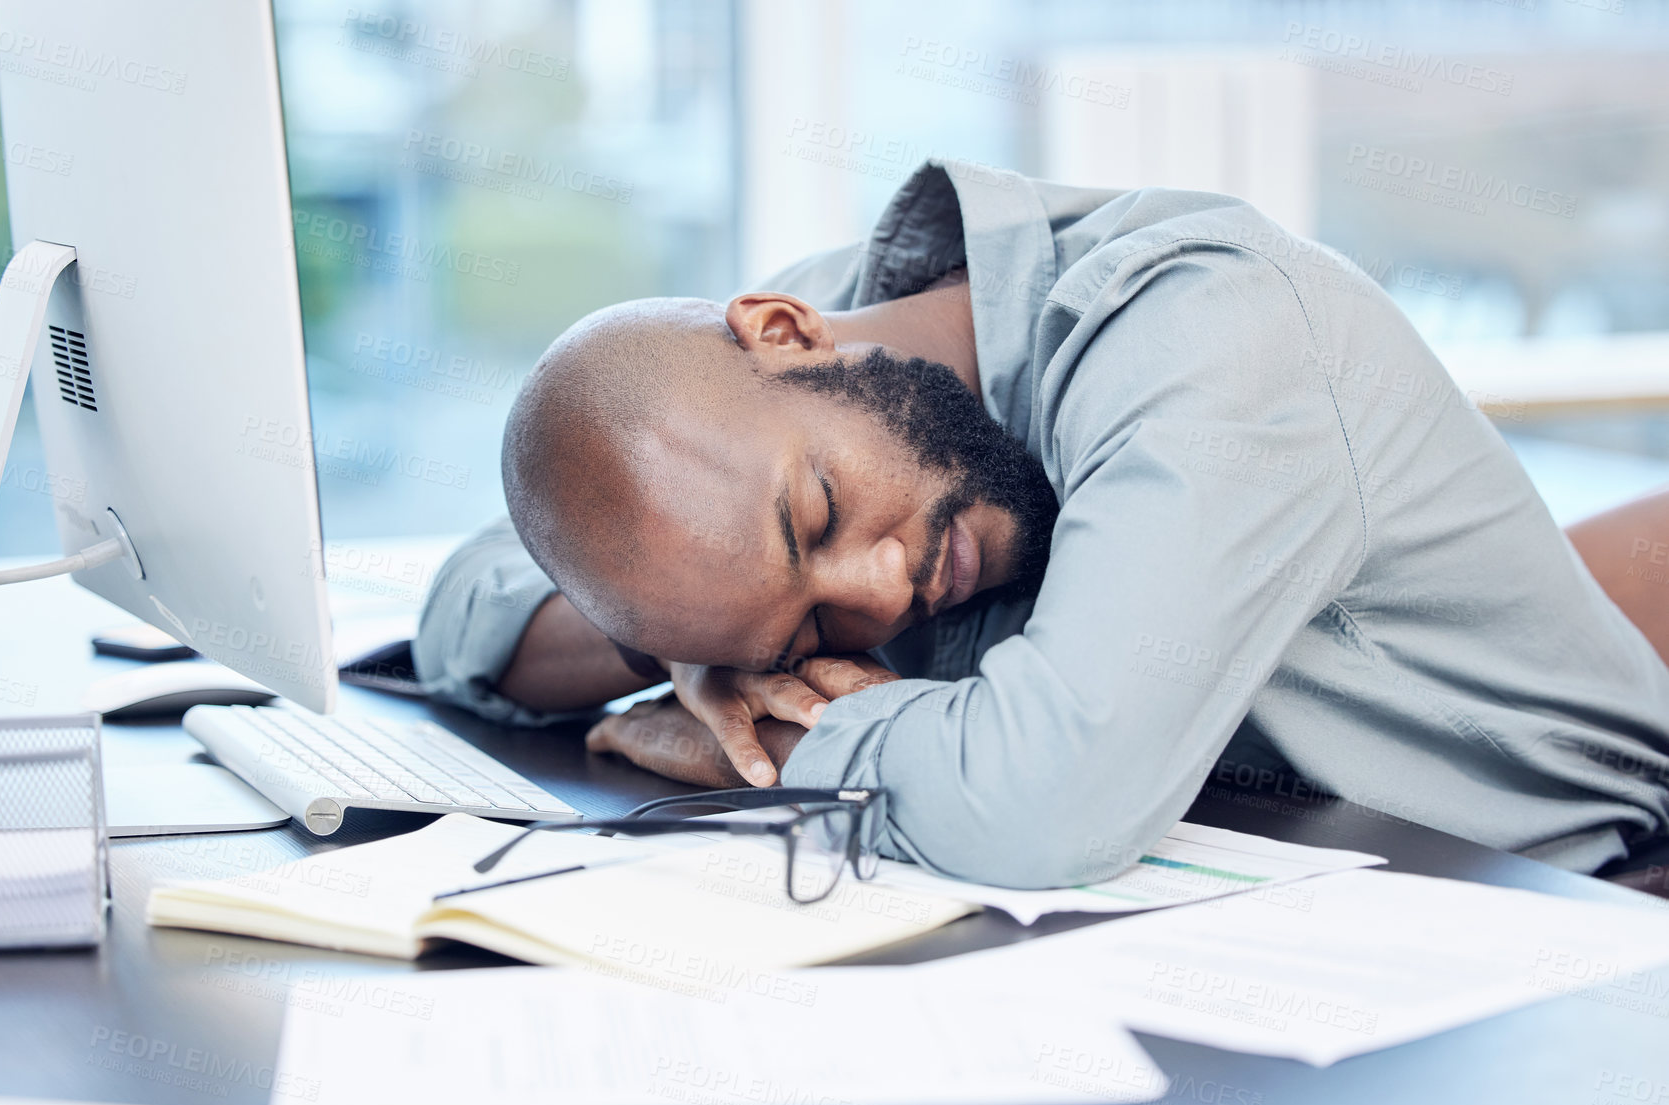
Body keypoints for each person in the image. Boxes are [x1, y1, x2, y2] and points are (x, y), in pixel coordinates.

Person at [415, 159, 1669, 889]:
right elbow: (466, 608)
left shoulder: (1211, 330)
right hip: (1228, 898)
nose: (886, 583)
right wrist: (702, 640)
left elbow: (1042, 799)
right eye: (807, 622)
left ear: (787, 329)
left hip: (1544, 910)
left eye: (821, 515)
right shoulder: (792, 387)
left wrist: (773, 751)